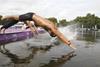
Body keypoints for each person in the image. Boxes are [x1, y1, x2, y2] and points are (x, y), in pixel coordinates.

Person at [1, 12, 76, 49]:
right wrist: (69, 44)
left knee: (16, 19)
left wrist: (28, 28)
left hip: (32, 16)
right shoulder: (52, 28)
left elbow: (59, 34)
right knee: (15, 18)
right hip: (30, 16)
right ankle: (6, 17)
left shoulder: (51, 26)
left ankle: (4, 27)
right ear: (52, 32)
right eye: (51, 34)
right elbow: (60, 35)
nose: (49, 33)